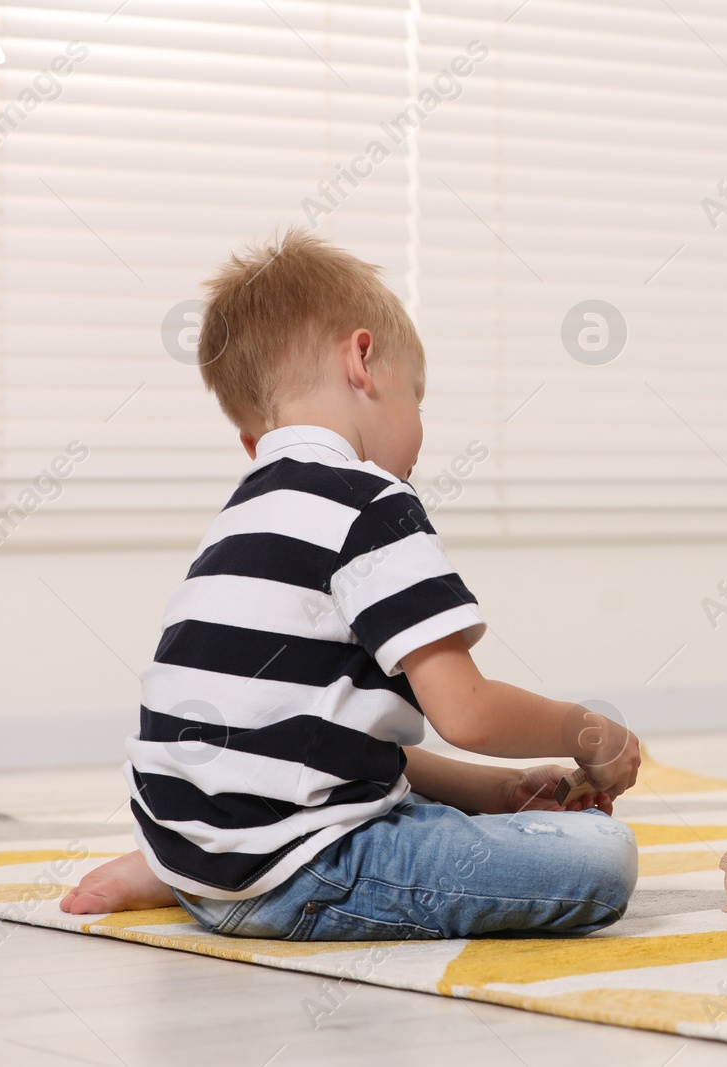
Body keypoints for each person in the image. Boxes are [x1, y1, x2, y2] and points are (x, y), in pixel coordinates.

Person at [60, 229, 641, 939]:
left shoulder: (241, 517)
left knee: (337, 803)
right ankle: (246, 882)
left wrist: (494, 791)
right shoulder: (371, 503)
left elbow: (318, 736)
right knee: (603, 861)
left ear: (255, 439)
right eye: (417, 399)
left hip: (193, 842)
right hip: (304, 867)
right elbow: (470, 713)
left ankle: (179, 872)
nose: (419, 431)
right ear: (363, 361)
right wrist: (591, 730)